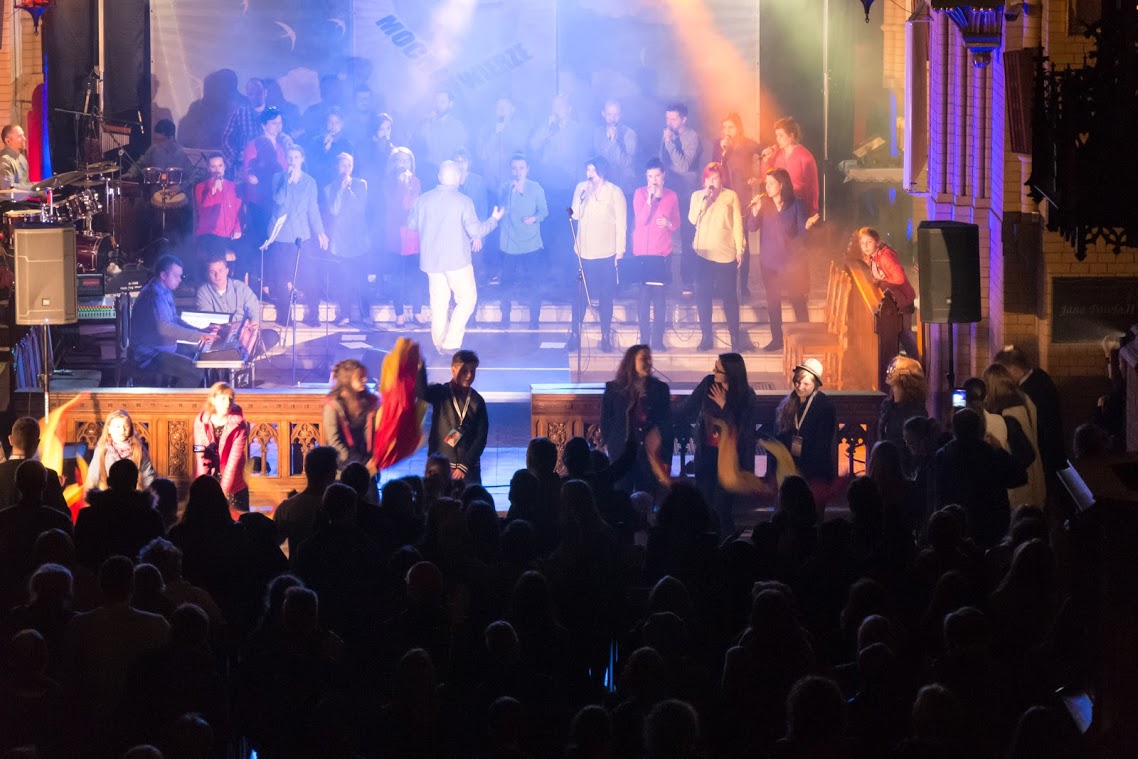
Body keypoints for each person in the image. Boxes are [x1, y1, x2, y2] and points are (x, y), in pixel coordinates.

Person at [407, 160, 504, 354]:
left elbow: (411, 225)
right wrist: (494, 220)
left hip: (432, 261)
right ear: (458, 178)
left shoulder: (423, 200)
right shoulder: (463, 201)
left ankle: (439, 343)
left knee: (439, 303)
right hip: (457, 261)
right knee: (467, 299)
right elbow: (475, 231)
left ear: (439, 177)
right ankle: (451, 342)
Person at [678, 353, 757, 538]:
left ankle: (726, 545)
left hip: (729, 459)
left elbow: (742, 431)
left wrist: (724, 406)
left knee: (722, 508)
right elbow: (687, 407)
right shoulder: (709, 383)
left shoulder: (747, 395)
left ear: (730, 373)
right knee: (704, 506)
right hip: (706, 455)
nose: (713, 371)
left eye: (718, 369)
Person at [748, 168, 819, 352]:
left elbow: (802, 233)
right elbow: (752, 227)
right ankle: (776, 339)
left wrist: (807, 226)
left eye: (771, 183)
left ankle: (806, 339)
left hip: (790, 263)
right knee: (773, 302)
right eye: (767, 183)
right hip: (769, 263)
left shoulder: (796, 203)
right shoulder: (764, 204)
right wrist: (755, 211)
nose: (767, 186)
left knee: (797, 300)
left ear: (781, 185)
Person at [934, 408, 1026, 546]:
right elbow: (1019, 476)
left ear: (954, 429)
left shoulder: (943, 455)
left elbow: (938, 493)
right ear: (979, 428)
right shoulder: (990, 453)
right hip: (988, 522)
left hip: (955, 522)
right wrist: (1000, 450)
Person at [129, 255, 218, 387]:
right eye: (176, 276)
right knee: (195, 372)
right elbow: (165, 328)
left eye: (180, 276)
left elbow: (174, 318)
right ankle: (175, 399)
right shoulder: (153, 294)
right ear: (163, 275)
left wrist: (200, 331)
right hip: (150, 354)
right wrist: (199, 336)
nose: (180, 280)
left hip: (164, 348)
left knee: (203, 357)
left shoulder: (165, 290)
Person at [570, 155, 627, 353]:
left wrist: (620, 251)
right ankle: (574, 334)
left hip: (606, 253)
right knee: (579, 296)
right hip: (583, 252)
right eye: (588, 170)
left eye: (593, 170)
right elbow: (574, 215)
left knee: (605, 296)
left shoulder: (615, 192)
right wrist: (581, 196)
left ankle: (605, 336)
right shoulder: (581, 188)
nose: (589, 174)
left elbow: (621, 224)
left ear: (602, 171)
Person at [690, 162, 749, 352]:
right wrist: (704, 201)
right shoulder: (697, 196)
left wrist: (740, 249)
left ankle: (735, 337)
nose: (712, 182)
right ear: (704, 180)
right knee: (703, 296)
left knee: (729, 297)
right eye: (709, 178)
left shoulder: (731, 196)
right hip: (703, 253)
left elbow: (738, 224)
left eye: (715, 178)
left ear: (721, 179)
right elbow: (692, 219)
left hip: (725, 253)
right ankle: (706, 336)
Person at [268, 144, 329, 326]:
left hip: (302, 236)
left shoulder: (310, 182)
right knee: (283, 277)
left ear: (302, 159)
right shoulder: (278, 178)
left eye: (296, 157)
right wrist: (288, 182)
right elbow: (278, 200)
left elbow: (313, 209)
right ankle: (285, 316)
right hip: (282, 235)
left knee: (310, 275)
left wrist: (320, 232)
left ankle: (314, 315)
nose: (293, 161)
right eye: (290, 157)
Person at [601, 345, 673, 493]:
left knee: (647, 496)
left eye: (649, 359)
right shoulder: (613, 389)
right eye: (643, 359)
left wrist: (664, 455)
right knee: (621, 495)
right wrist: (610, 444)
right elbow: (606, 420)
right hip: (621, 453)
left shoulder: (660, 389)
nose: (648, 363)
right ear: (631, 361)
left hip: (648, 455)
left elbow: (666, 422)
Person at [993, 345, 1067, 474]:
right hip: (1048, 453)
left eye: (1004, 372)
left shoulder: (1029, 392)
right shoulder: (1039, 376)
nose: (1003, 378)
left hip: (1044, 456)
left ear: (1014, 369)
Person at [631, 158, 680, 350]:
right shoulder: (640, 194)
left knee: (660, 298)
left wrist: (669, 224)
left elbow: (676, 223)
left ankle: (658, 340)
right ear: (646, 177)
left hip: (662, 254)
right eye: (650, 176)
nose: (654, 180)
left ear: (663, 175)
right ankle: (644, 340)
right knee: (644, 298)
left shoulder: (672, 196)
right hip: (643, 254)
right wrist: (649, 200)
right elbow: (641, 220)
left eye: (657, 176)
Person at [420, 350, 489, 484]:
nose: (469, 375)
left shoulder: (477, 400)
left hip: (468, 470)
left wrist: (465, 465)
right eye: (464, 371)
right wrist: (420, 368)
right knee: (439, 497)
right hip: (441, 466)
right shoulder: (441, 392)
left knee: (470, 497)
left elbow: (481, 437)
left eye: (472, 371)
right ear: (453, 370)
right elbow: (422, 392)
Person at [774, 359, 838, 504]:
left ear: (815, 385)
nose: (800, 387)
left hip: (815, 471)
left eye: (806, 384)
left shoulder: (825, 406)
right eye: (797, 382)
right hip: (791, 469)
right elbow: (780, 435)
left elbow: (822, 444)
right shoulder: (787, 404)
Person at [983, 363, 1046, 509]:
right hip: (1035, 474)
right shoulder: (1025, 400)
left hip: (1018, 485)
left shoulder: (1006, 413)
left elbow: (1016, 452)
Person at [712, 113, 762, 297]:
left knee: (742, 240)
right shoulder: (719, 145)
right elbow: (714, 169)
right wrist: (723, 152)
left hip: (742, 198)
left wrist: (758, 178)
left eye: (731, 127)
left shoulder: (749, 144)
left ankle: (743, 285)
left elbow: (764, 155)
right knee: (723, 239)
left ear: (738, 128)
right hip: (724, 198)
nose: (727, 131)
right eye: (724, 127)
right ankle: (724, 284)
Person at [497, 152, 548, 329]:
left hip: (531, 243)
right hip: (509, 244)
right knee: (506, 284)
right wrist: (511, 192)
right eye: (514, 168)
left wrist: (534, 218)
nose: (517, 172)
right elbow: (501, 210)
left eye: (521, 168)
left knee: (534, 284)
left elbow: (544, 212)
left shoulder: (536, 188)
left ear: (528, 169)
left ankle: (534, 320)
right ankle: (505, 318)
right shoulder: (504, 187)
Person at [322, 152, 370, 326]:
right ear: (337, 167)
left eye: (349, 165)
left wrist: (349, 189)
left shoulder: (361, 184)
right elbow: (334, 210)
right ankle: (345, 314)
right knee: (343, 281)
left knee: (362, 281)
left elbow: (360, 208)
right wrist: (341, 189)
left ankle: (366, 315)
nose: (346, 169)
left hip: (358, 240)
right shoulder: (329, 188)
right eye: (343, 165)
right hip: (340, 241)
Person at [659, 103, 702, 293]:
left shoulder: (692, 137)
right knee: (663, 233)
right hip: (668, 191)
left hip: (686, 193)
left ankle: (687, 280)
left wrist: (669, 143)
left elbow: (684, 166)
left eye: (673, 119)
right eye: (667, 118)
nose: (669, 122)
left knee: (686, 236)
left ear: (684, 119)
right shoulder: (667, 135)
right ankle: (664, 277)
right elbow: (662, 160)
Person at [382, 147, 425, 327]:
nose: (402, 164)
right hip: (396, 236)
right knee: (397, 277)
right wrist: (401, 186)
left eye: (405, 160)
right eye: (398, 160)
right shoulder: (388, 183)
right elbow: (394, 207)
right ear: (393, 163)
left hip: (413, 236)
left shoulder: (416, 181)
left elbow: (417, 206)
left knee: (416, 276)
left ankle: (417, 311)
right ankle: (399, 314)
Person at [858, 227, 917, 357]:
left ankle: (917, 364)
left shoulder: (885, 257)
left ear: (877, 242)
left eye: (869, 242)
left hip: (903, 300)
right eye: (862, 243)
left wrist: (880, 282)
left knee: (904, 334)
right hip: (892, 302)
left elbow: (899, 279)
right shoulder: (871, 258)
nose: (865, 246)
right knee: (895, 334)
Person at [192, 382, 249, 512]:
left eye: (230, 398)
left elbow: (233, 462)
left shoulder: (239, 424)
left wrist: (222, 493)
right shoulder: (200, 421)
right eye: (223, 398)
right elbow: (198, 452)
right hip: (208, 475)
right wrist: (203, 486)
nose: (227, 403)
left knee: (236, 518)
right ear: (213, 400)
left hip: (232, 481)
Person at [240, 107, 294, 246]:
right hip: (259, 200)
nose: (278, 126)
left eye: (280, 123)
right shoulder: (254, 145)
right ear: (264, 125)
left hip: (276, 200)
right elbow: (247, 171)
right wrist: (251, 177)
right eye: (274, 123)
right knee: (259, 239)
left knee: (274, 240)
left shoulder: (281, 146)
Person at [0, 416, 67, 513]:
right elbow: (62, 516)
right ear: (37, 443)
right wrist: (58, 491)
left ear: (10, 439)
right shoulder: (49, 476)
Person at [323, 359, 379, 471]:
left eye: (364, 376)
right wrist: (358, 463)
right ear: (347, 380)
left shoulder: (368, 401)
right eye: (360, 377)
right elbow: (334, 441)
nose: (365, 379)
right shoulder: (333, 405)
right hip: (344, 464)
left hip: (367, 459)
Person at [760, 117, 819, 217]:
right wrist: (765, 160)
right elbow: (766, 179)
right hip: (778, 206)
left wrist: (811, 211)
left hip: (798, 207)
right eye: (776, 135)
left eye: (781, 135)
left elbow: (812, 188)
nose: (777, 139)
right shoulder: (776, 154)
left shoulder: (805, 156)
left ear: (791, 136)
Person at [84, 409, 157, 491]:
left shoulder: (138, 448)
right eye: (118, 427)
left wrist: (144, 495)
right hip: (109, 494)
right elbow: (92, 478)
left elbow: (148, 476)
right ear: (109, 429)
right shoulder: (102, 449)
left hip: (132, 494)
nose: (122, 430)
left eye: (126, 426)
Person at [877, 355, 928, 461]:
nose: (888, 372)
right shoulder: (887, 404)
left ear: (904, 375)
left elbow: (915, 450)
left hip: (904, 463)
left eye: (892, 368)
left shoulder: (915, 411)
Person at [192, 153, 242, 259]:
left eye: (220, 165)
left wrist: (237, 227)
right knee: (217, 258)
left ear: (224, 167)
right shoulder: (201, 187)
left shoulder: (232, 186)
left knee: (242, 253)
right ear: (208, 169)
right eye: (213, 167)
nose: (217, 170)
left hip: (228, 234)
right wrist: (216, 188)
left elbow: (235, 210)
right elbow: (206, 205)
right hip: (210, 233)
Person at [478, 97, 531, 193]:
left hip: (512, 184)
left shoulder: (520, 127)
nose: (501, 110)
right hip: (491, 185)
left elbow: (520, 150)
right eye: (499, 107)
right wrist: (496, 134)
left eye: (505, 106)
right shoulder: (487, 128)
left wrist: (508, 128)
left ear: (513, 109)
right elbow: (483, 154)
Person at [195, 250, 261, 323]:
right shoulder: (203, 292)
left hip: (243, 328)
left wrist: (254, 324)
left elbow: (254, 308)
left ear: (227, 271)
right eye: (212, 272)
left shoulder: (241, 287)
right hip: (218, 329)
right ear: (208, 274)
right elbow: (208, 318)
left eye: (220, 270)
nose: (217, 275)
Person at [417, 89, 468, 181]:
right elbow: (420, 145)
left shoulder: (457, 126)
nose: (438, 105)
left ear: (450, 104)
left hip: (449, 173)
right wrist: (427, 123)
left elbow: (459, 152)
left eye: (443, 102)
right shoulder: (428, 124)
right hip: (430, 172)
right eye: (436, 102)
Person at [222, 77, 269, 174]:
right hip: (244, 167)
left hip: (268, 167)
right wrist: (235, 157)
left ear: (265, 92)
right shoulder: (239, 113)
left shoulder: (274, 114)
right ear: (247, 95)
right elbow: (226, 138)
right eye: (251, 94)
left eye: (258, 93)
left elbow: (281, 138)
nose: (255, 96)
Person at [303, 108, 354, 194]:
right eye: (330, 122)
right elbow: (311, 164)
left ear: (341, 124)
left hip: (338, 183)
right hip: (319, 183)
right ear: (326, 123)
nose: (333, 126)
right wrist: (325, 150)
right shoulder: (316, 141)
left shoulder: (346, 144)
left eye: (337, 122)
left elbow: (348, 165)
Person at [592, 99, 638, 192]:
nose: (612, 118)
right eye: (609, 114)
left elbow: (626, 162)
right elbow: (598, 157)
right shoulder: (597, 132)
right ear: (603, 113)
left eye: (616, 115)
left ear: (621, 115)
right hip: (603, 184)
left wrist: (614, 141)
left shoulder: (629, 133)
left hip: (623, 186)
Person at [0, 124, 30, 189]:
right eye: (20, 136)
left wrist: (37, 188)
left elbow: (26, 184)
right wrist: (32, 188)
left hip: (23, 196)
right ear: (8, 141)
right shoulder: (4, 160)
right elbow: (7, 187)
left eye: (23, 135)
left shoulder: (22, 158)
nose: (24, 139)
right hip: (10, 196)